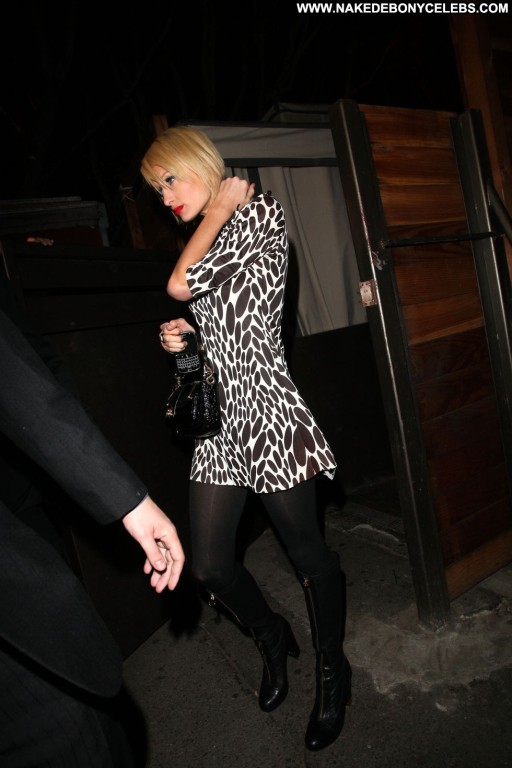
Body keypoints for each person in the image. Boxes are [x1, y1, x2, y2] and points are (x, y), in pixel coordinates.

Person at [141, 125, 351, 752]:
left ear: (199, 163)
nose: (165, 197)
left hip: (267, 412)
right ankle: (271, 634)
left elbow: (180, 284)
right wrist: (186, 345)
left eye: (169, 179)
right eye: (156, 190)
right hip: (221, 425)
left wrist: (221, 208)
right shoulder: (211, 233)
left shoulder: (258, 214)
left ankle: (334, 670)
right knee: (209, 566)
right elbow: (219, 332)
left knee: (308, 555)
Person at [0, 307, 185, 767]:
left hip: (24, 495)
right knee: (63, 724)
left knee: (77, 698)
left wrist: (108, 488)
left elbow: (27, 361)